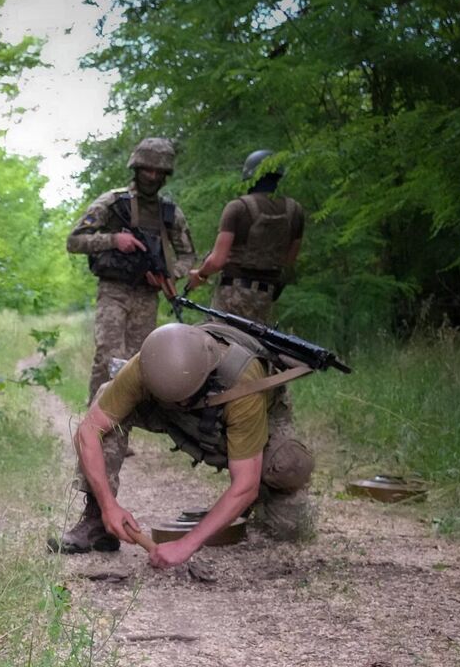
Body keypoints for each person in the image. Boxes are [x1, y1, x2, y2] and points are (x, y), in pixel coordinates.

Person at [66, 321, 316, 567]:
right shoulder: (148, 364)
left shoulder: (243, 386)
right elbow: (88, 431)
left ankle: (260, 501)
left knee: (290, 476)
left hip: (238, 413)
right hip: (175, 412)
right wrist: (108, 506)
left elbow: (244, 485)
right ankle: (96, 518)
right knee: (106, 404)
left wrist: (186, 545)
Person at [54, 137, 197, 553]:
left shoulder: (170, 212)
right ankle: (95, 434)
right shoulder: (111, 203)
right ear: (136, 169)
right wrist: (113, 241)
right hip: (114, 293)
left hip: (147, 296)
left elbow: (189, 255)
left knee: (139, 371)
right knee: (107, 363)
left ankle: (118, 432)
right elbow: (74, 240)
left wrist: (169, 273)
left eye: (159, 172)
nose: (152, 177)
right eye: (146, 170)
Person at [187, 150, 305, 325]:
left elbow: (217, 261)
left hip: (231, 297)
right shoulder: (295, 210)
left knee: (215, 343)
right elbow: (289, 260)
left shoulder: (238, 207)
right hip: (266, 298)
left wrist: (200, 275)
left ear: (249, 175)